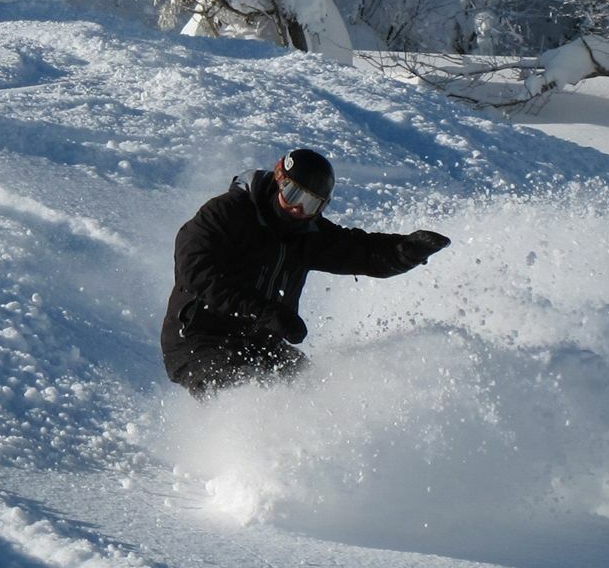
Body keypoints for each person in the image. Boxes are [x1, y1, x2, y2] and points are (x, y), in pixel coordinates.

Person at [161, 148, 450, 397]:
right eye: (293, 193)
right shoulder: (227, 213)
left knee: (316, 391)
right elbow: (196, 270)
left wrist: (404, 251)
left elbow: (358, 250)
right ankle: (240, 457)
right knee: (245, 394)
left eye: (311, 203)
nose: (298, 208)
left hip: (260, 343)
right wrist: (263, 311)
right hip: (198, 340)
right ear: (279, 178)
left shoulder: (307, 233)